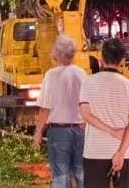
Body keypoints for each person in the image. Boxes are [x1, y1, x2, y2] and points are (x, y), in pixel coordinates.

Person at [79, 38, 129, 187]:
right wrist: (121, 153)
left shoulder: (88, 82)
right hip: (125, 152)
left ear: (101, 58)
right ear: (122, 60)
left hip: (95, 151)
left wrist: (111, 131)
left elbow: (85, 115)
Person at [32, 34, 87, 188]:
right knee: (81, 173)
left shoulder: (51, 75)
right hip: (81, 130)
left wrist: (38, 133)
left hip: (59, 132)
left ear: (58, 52)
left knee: (61, 176)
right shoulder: (81, 74)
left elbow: (45, 109)